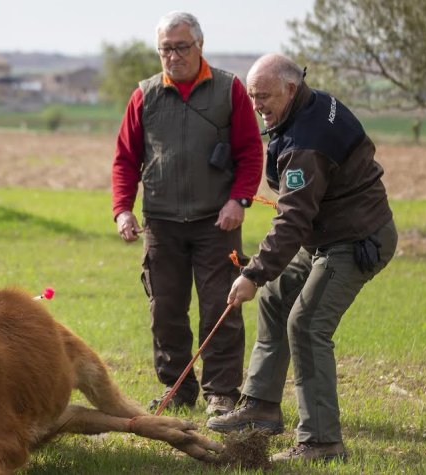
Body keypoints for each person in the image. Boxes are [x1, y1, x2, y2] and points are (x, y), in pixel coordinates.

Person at [205, 54, 397, 463]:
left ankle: (322, 443)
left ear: (290, 88)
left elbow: (292, 219)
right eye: (253, 96)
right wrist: (264, 280)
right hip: (325, 235)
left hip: (356, 241)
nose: (257, 106)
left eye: (264, 96)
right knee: (276, 299)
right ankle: (261, 408)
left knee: (307, 325)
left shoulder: (307, 143)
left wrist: (253, 273)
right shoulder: (306, 106)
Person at [111, 11, 263, 416]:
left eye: (181, 47)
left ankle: (221, 392)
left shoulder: (229, 89)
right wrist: (122, 210)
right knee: (165, 311)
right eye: (165, 49)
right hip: (160, 223)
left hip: (217, 221)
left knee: (220, 308)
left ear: (200, 46)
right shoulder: (144, 95)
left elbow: (250, 152)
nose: (173, 56)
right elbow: (125, 159)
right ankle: (177, 389)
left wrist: (240, 200)